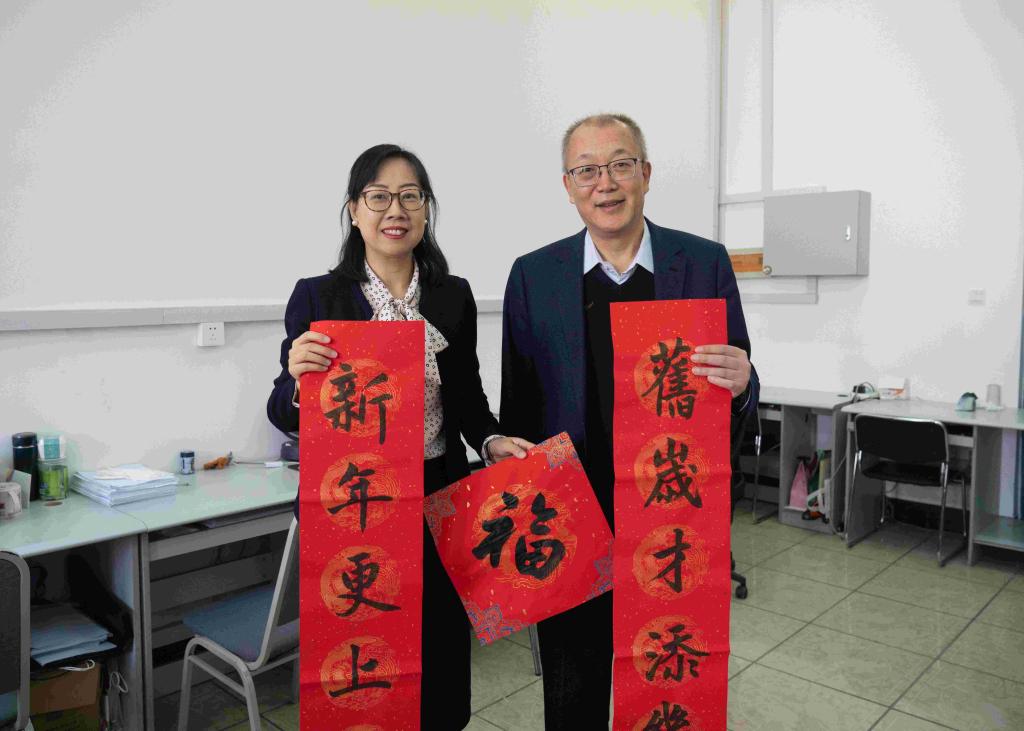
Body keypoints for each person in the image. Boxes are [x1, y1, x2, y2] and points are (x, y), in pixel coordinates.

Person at [500, 114, 759, 729]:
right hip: (572, 518)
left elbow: (740, 383)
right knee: (572, 690)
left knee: (669, 679)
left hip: (672, 511)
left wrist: (744, 382)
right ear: (568, 186)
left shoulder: (703, 263)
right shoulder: (533, 275)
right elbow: (519, 408)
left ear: (645, 172)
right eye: (587, 170)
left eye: (620, 164)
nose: (606, 183)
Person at [267, 143, 532, 730]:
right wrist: (298, 381)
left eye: (411, 196)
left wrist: (490, 441)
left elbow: (467, 398)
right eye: (379, 197)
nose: (396, 210)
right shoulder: (318, 296)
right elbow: (283, 411)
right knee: (364, 656)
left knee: (439, 656)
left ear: (426, 209)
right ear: (354, 210)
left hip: (438, 495)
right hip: (355, 504)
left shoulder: (452, 295)